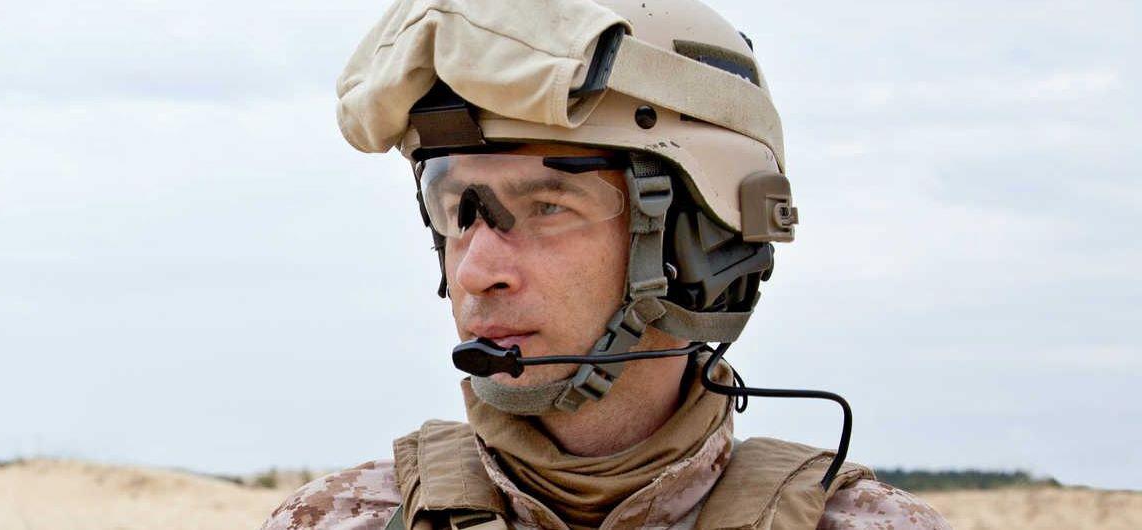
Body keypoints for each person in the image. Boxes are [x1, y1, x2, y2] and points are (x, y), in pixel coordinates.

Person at [264, 1, 952, 528]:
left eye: (548, 206)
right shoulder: (338, 517)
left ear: (697, 239)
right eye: (458, 211)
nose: (477, 271)